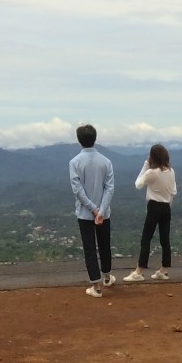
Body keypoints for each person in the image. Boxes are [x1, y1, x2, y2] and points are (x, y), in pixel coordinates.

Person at [68, 124, 116, 297]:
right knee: (104, 245)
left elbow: (77, 190)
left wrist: (93, 210)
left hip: (84, 214)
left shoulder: (74, 163)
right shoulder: (106, 162)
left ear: (79, 140)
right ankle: (107, 277)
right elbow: (109, 188)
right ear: (95, 138)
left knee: (90, 248)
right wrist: (101, 210)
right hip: (104, 214)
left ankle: (96, 287)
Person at [124, 143, 177, 282]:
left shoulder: (151, 172)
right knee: (165, 240)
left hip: (154, 207)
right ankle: (163, 270)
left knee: (146, 239)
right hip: (167, 207)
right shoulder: (171, 171)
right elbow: (173, 192)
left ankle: (139, 272)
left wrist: (145, 164)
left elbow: (138, 184)